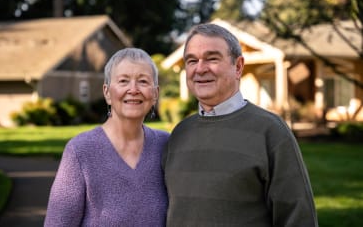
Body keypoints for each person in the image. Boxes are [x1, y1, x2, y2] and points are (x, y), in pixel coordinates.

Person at [162, 23, 318, 226]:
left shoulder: (271, 131)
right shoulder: (179, 134)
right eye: (192, 60)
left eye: (212, 58)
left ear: (238, 67)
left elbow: (298, 217)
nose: (200, 68)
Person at [44, 48, 169, 226]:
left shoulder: (167, 145)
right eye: (123, 81)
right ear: (107, 92)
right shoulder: (80, 151)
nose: (133, 89)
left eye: (142, 81)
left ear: (155, 93)